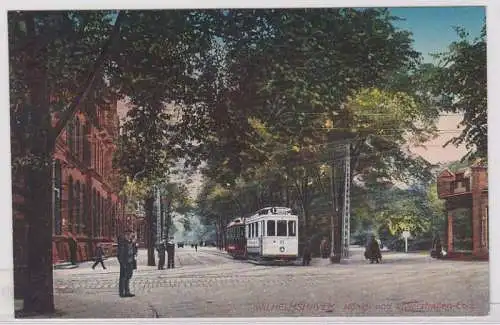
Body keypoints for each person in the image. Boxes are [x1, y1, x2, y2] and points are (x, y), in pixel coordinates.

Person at [117, 229, 135, 297]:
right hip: (125, 262)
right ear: (125, 235)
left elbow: (133, 251)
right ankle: (122, 292)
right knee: (123, 278)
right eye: (129, 235)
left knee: (128, 277)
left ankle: (127, 292)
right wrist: (122, 262)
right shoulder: (123, 243)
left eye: (130, 235)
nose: (130, 236)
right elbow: (120, 254)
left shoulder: (129, 242)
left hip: (130, 262)